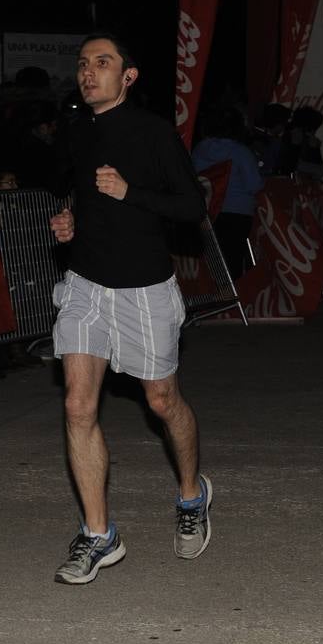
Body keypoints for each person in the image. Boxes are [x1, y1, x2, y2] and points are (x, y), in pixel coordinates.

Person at [47, 33, 211, 585]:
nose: (89, 72)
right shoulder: (77, 131)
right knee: (76, 406)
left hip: (143, 288)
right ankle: (99, 535)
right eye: (83, 64)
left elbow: (192, 207)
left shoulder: (153, 134)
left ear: (129, 76)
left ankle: (192, 494)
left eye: (103, 63)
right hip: (85, 283)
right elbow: (79, 194)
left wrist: (131, 193)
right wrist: (69, 222)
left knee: (163, 401)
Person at [191, 106, 264, 279]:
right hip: (238, 212)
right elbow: (253, 184)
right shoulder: (241, 152)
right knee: (234, 256)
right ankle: (234, 296)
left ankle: (217, 294)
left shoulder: (200, 149)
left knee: (212, 259)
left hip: (209, 210)